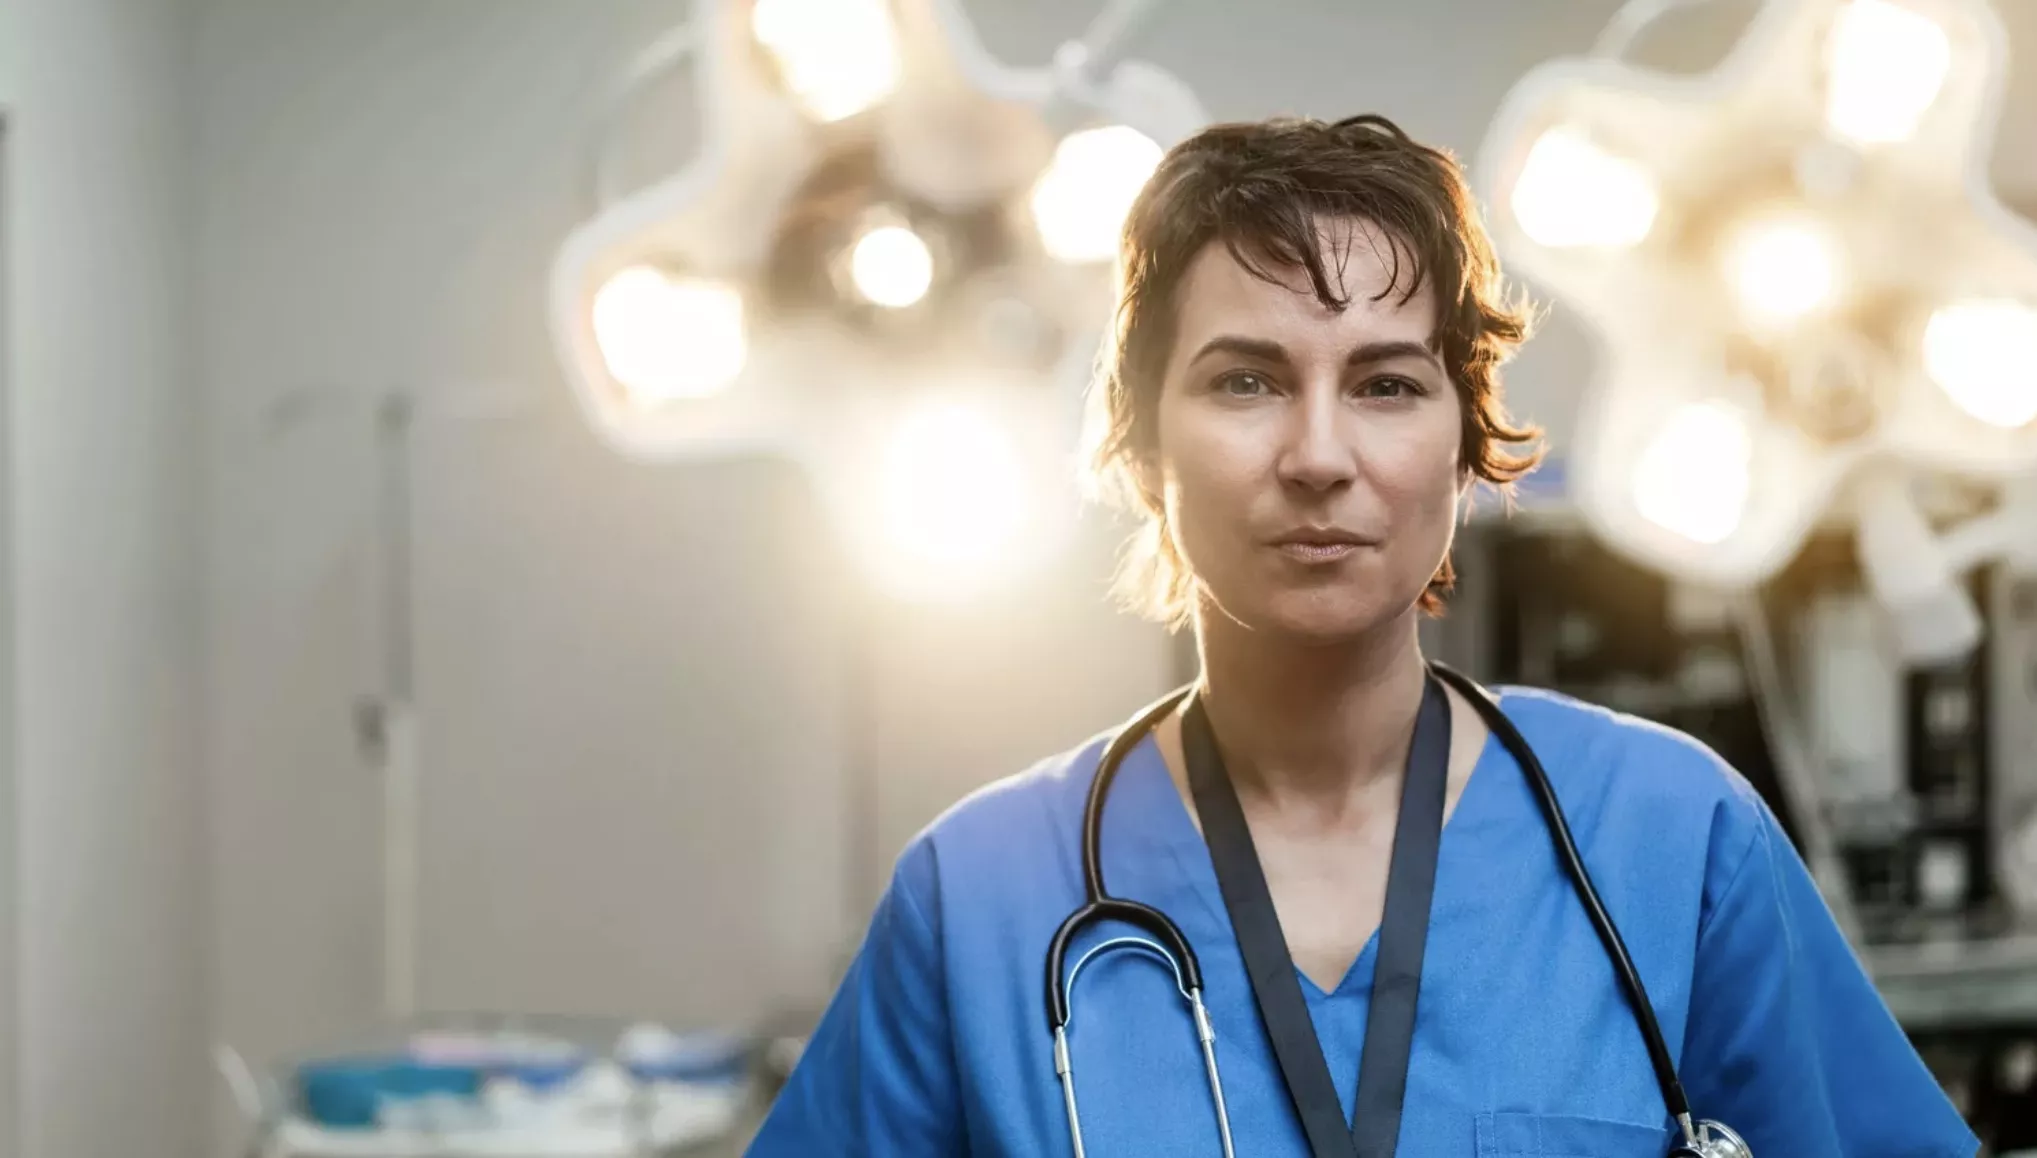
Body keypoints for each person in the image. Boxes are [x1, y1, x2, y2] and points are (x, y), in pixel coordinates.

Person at [746, 114, 1980, 1156]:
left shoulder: (1669, 840)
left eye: (1387, 384)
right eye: (1246, 381)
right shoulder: (979, 899)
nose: (1319, 457)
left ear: (1464, 445)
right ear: (1138, 444)